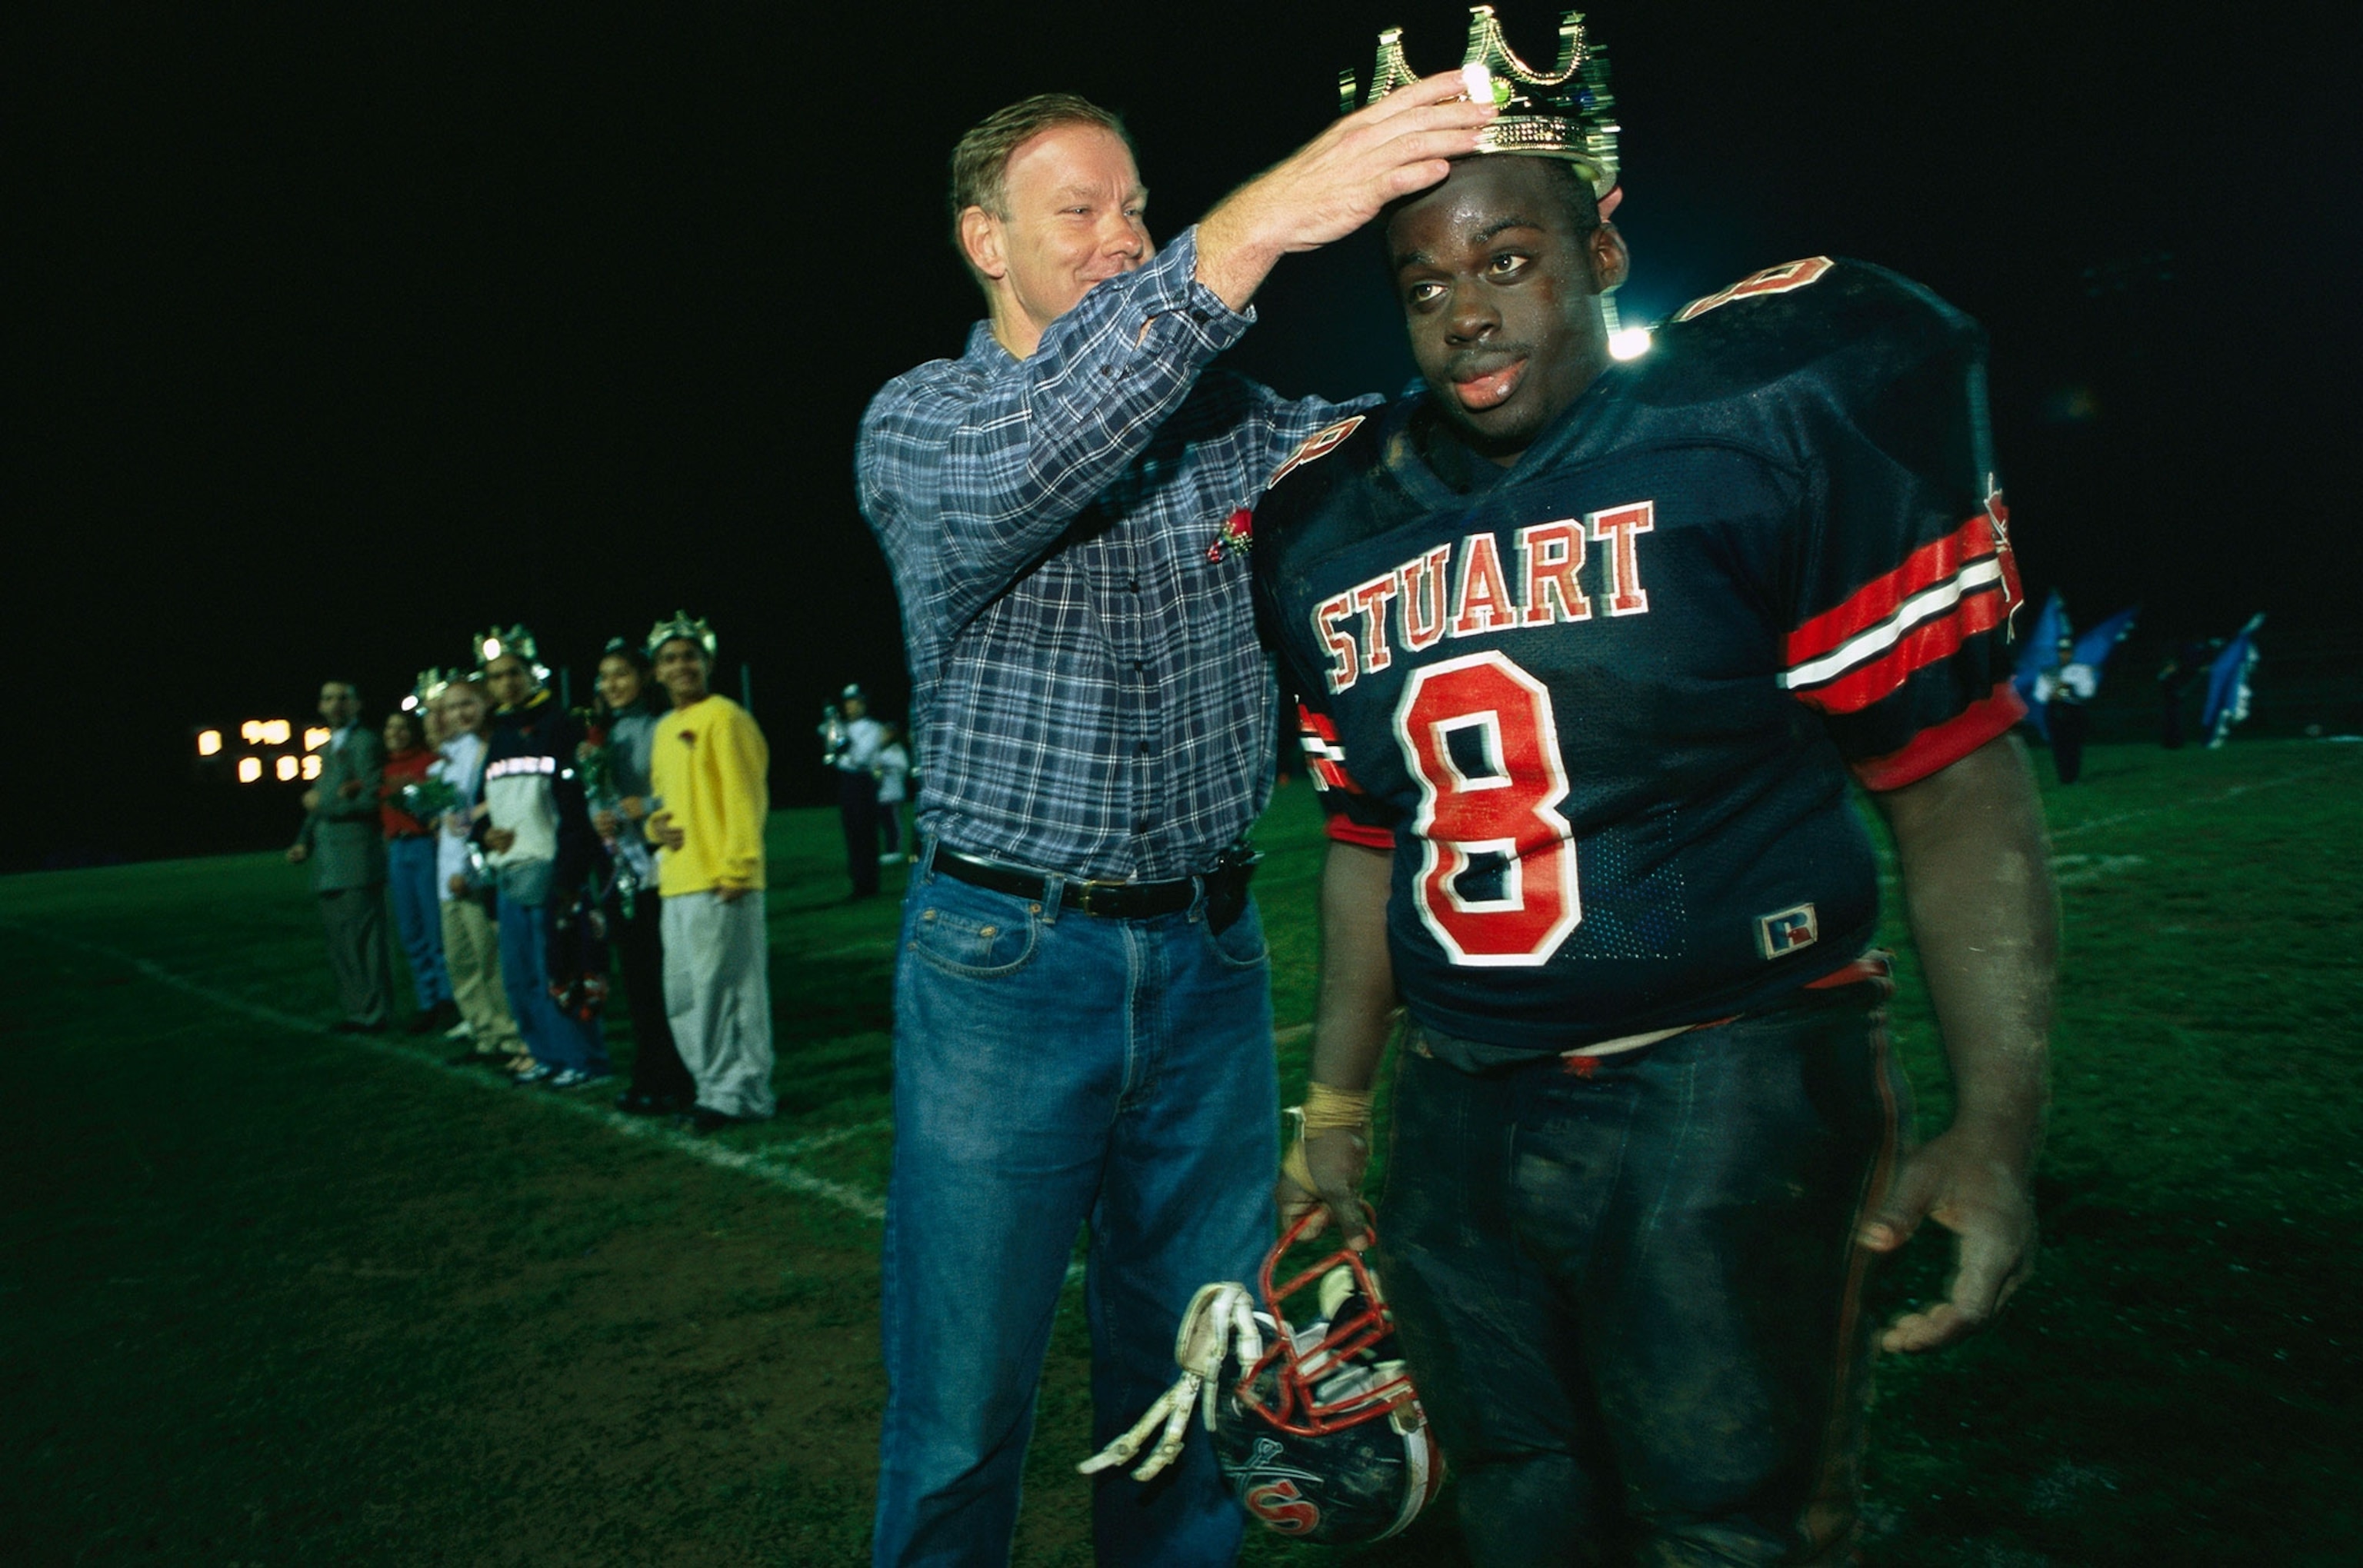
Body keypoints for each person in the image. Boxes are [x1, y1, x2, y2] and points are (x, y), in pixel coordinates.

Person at [1254, 18, 2056, 1563]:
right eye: (1422, 283)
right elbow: (1367, 844)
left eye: (1505, 260)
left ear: (1603, 243)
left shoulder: (1748, 419)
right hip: (1463, 1103)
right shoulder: (1334, 524)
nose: (1463, 315)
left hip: (1720, 1074)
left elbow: (1951, 779)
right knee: (1520, 1497)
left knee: (1725, 1516)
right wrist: (1338, 1110)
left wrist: (1996, 1126)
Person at [856, 71, 1498, 1566]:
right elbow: (1050, 446)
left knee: (1194, 1384)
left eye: (1137, 204)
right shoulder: (922, 425)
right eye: (1077, 209)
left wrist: (1506, 291)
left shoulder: (1229, 424)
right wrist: (1267, 215)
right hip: (1007, 963)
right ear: (984, 243)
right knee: (961, 1413)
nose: (1121, 234)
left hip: (1210, 968)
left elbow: (1412, 464)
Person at [644, 613, 775, 1133]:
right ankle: (711, 1086)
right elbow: (663, 802)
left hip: (721, 879)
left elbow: (747, 796)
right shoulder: (662, 728)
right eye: (669, 658)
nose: (681, 666)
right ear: (657, 671)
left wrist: (738, 867)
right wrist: (654, 827)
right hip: (676, 879)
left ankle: (742, 1093)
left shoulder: (726, 717)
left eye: (689, 656)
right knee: (685, 992)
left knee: (729, 991)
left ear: (708, 663)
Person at [478, 626, 611, 1089]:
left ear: (533, 674)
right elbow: (483, 804)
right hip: (509, 872)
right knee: (519, 976)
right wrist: (483, 832)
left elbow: (577, 809)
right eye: (496, 677)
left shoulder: (560, 725)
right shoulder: (499, 736)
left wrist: (570, 877)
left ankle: (583, 1058)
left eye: (514, 673)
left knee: (560, 969)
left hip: (551, 869)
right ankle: (544, 1054)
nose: (506, 683)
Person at [588, 638, 696, 1117]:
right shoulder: (601, 733)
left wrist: (644, 807)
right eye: (605, 676)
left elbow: (680, 788)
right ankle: (649, 1071)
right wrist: (601, 816)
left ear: (645, 677)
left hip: (656, 859)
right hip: (619, 865)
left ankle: (677, 1074)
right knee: (636, 978)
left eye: (622, 674)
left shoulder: (660, 726)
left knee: (662, 976)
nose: (612, 684)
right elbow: (601, 793)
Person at [430, 675, 528, 1070]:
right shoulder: (451, 756)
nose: (461, 713)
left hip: (478, 869)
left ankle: (507, 1033)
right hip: (446, 871)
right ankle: (482, 1031)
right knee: (461, 959)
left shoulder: (495, 747)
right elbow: (446, 816)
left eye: (468, 703)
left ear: (485, 703)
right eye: (453, 707)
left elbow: (496, 805)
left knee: (490, 957)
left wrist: (468, 856)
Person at [286, 678, 392, 1034]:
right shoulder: (327, 747)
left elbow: (372, 797)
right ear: (319, 706)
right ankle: (356, 1011)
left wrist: (326, 805)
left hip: (358, 857)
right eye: (328, 698)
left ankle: (374, 1012)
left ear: (358, 704)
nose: (335, 705)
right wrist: (305, 841)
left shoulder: (366, 743)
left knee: (364, 940)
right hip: (329, 860)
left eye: (343, 698)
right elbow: (318, 800)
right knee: (341, 943)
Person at [378, 705, 457, 1031]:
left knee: (433, 927)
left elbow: (439, 804)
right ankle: (427, 1001)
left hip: (424, 846)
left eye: (402, 728)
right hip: (397, 849)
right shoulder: (384, 771)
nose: (395, 734)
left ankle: (447, 999)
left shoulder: (430, 763)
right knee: (410, 932)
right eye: (390, 729)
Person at [822, 684, 888, 899]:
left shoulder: (873, 727)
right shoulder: (842, 726)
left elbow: (861, 757)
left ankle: (870, 883)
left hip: (863, 780)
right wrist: (834, 725)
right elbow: (831, 748)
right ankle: (858, 882)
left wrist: (843, 741)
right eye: (848, 702)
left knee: (865, 833)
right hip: (847, 781)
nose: (850, 706)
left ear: (863, 704)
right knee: (852, 833)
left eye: (855, 702)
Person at [2036, 634, 2097, 783]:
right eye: (2061, 651)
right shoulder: (2048, 672)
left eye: (2067, 651)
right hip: (2055, 709)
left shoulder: (2081, 670)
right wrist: (2052, 694)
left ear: (2072, 653)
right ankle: (2064, 776)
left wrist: (2070, 687)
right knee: (2058, 744)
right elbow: (2040, 695)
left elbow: (2088, 692)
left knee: (2073, 744)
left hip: (2073, 710)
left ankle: (2073, 775)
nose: (2064, 655)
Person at [874, 721, 912, 864]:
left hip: (894, 794)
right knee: (885, 824)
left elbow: (904, 766)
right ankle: (889, 850)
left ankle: (896, 851)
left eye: (884, 733)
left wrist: (884, 764)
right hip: (882, 796)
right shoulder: (882, 751)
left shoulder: (896, 750)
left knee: (893, 824)